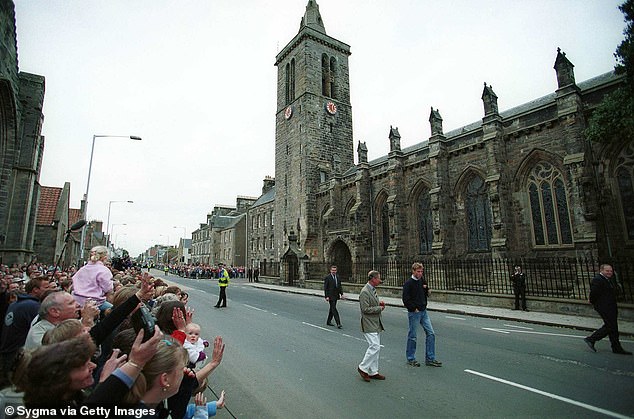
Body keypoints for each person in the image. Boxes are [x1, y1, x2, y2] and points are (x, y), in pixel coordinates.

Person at [584, 264, 632, 355]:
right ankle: (591, 339)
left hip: (610, 306)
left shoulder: (607, 280)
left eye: (611, 271)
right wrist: (592, 301)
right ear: (601, 270)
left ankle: (616, 347)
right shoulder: (598, 279)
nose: (610, 272)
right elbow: (593, 293)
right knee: (610, 326)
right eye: (607, 271)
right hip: (604, 307)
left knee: (612, 326)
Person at [402, 262, 442, 367]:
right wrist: (413, 308)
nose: (420, 273)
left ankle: (430, 358)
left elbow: (425, 290)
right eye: (418, 271)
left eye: (421, 271)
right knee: (413, 336)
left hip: (424, 311)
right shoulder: (408, 283)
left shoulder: (422, 280)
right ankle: (411, 358)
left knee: (431, 334)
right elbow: (405, 299)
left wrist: (428, 291)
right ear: (413, 271)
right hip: (414, 313)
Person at [357, 270, 386, 382]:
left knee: (376, 348)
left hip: (375, 322)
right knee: (374, 346)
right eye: (378, 278)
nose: (380, 280)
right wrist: (379, 308)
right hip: (368, 323)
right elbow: (365, 309)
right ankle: (362, 368)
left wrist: (379, 304)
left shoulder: (372, 290)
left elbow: (371, 304)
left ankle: (373, 371)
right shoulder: (364, 291)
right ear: (373, 279)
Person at [71, 245, 114, 313]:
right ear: (104, 258)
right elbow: (108, 289)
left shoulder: (82, 269)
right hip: (95, 302)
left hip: (76, 300)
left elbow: (73, 282)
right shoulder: (104, 270)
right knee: (113, 311)